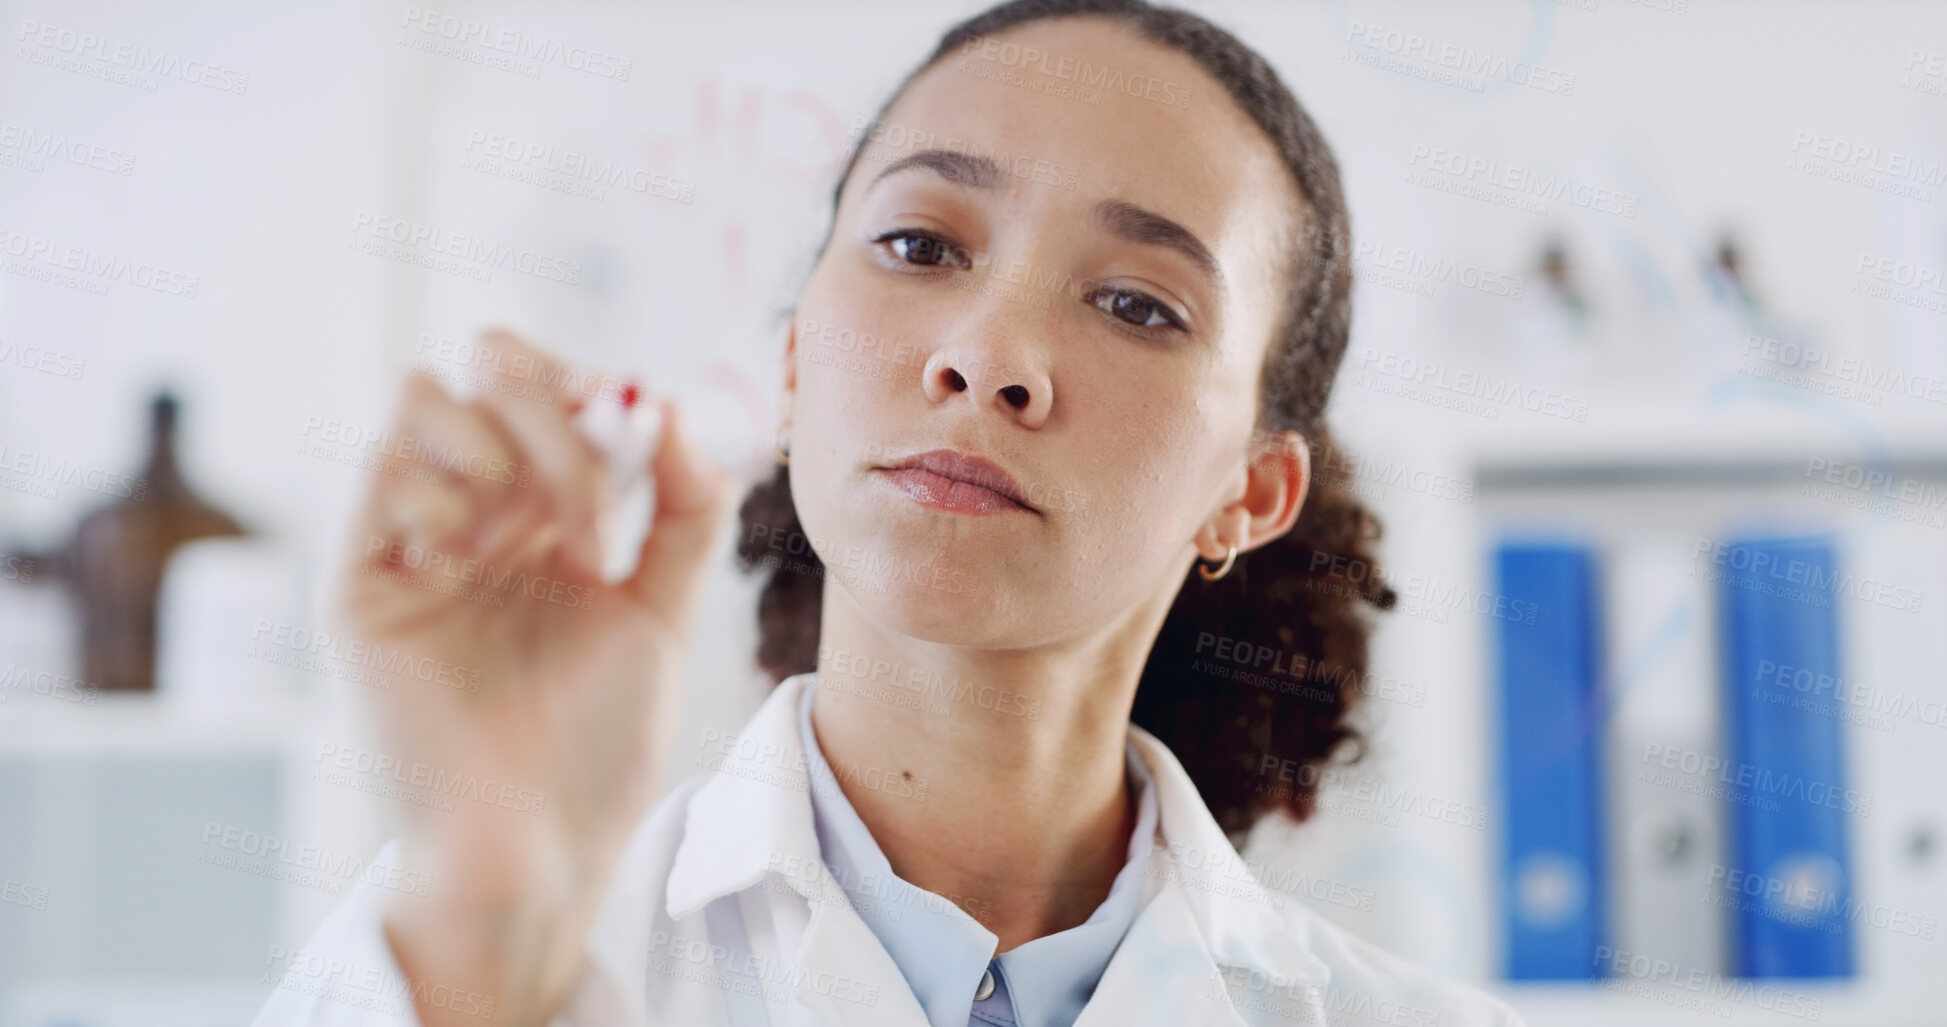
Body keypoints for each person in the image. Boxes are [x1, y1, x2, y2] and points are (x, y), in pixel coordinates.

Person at [254, 1, 1528, 1024]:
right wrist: (490, 925)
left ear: (1248, 493)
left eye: (1138, 303)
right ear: (800, 363)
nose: (987, 355)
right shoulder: (453, 951)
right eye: (922, 245)